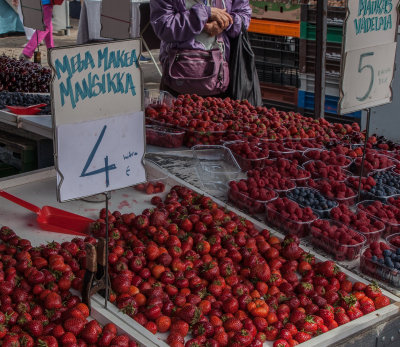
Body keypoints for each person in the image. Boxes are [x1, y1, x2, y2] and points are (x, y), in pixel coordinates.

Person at [150, 0, 252, 96]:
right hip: (177, 80)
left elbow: (243, 16)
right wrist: (204, 13)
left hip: (220, 79)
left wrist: (225, 22)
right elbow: (163, 26)